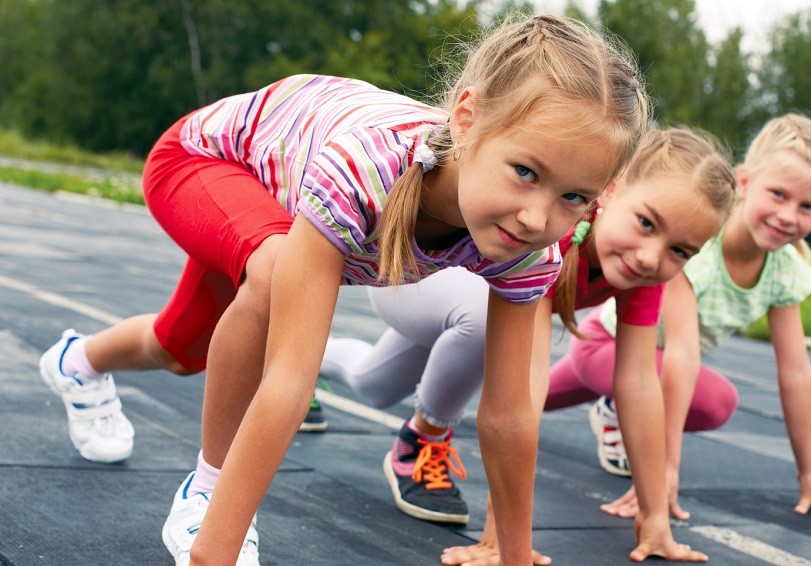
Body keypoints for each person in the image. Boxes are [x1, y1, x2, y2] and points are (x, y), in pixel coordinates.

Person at [36, 14, 650, 565]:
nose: (538, 217)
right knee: (272, 274)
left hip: (275, 211)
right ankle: (206, 491)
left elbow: (511, 414)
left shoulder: (532, 249)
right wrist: (214, 551)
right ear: (466, 120)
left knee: (179, 348)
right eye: (525, 172)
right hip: (205, 162)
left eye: (573, 197)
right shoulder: (367, 170)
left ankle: (77, 363)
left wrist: (513, 556)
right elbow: (288, 381)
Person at [322, 128, 737, 563]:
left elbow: (638, 385)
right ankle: (423, 437)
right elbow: (525, 388)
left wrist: (656, 518)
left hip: (457, 309)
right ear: (612, 192)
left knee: (373, 384)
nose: (653, 256)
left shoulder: (644, 273)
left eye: (680, 251)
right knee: (490, 327)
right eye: (647, 223)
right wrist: (501, 534)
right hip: (407, 279)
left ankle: (319, 364)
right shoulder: (550, 237)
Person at [545, 113, 811, 527]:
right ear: (744, 183)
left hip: (640, 363)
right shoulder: (694, 246)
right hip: (607, 344)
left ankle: (607, 406)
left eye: (808, 207)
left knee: (532, 396)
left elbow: (796, 371)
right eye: (778, 194)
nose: (788, 215)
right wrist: (662, 468)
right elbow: (682, 354)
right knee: (706, 396)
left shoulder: (786, 270)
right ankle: (615, 407)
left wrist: (810, 471)